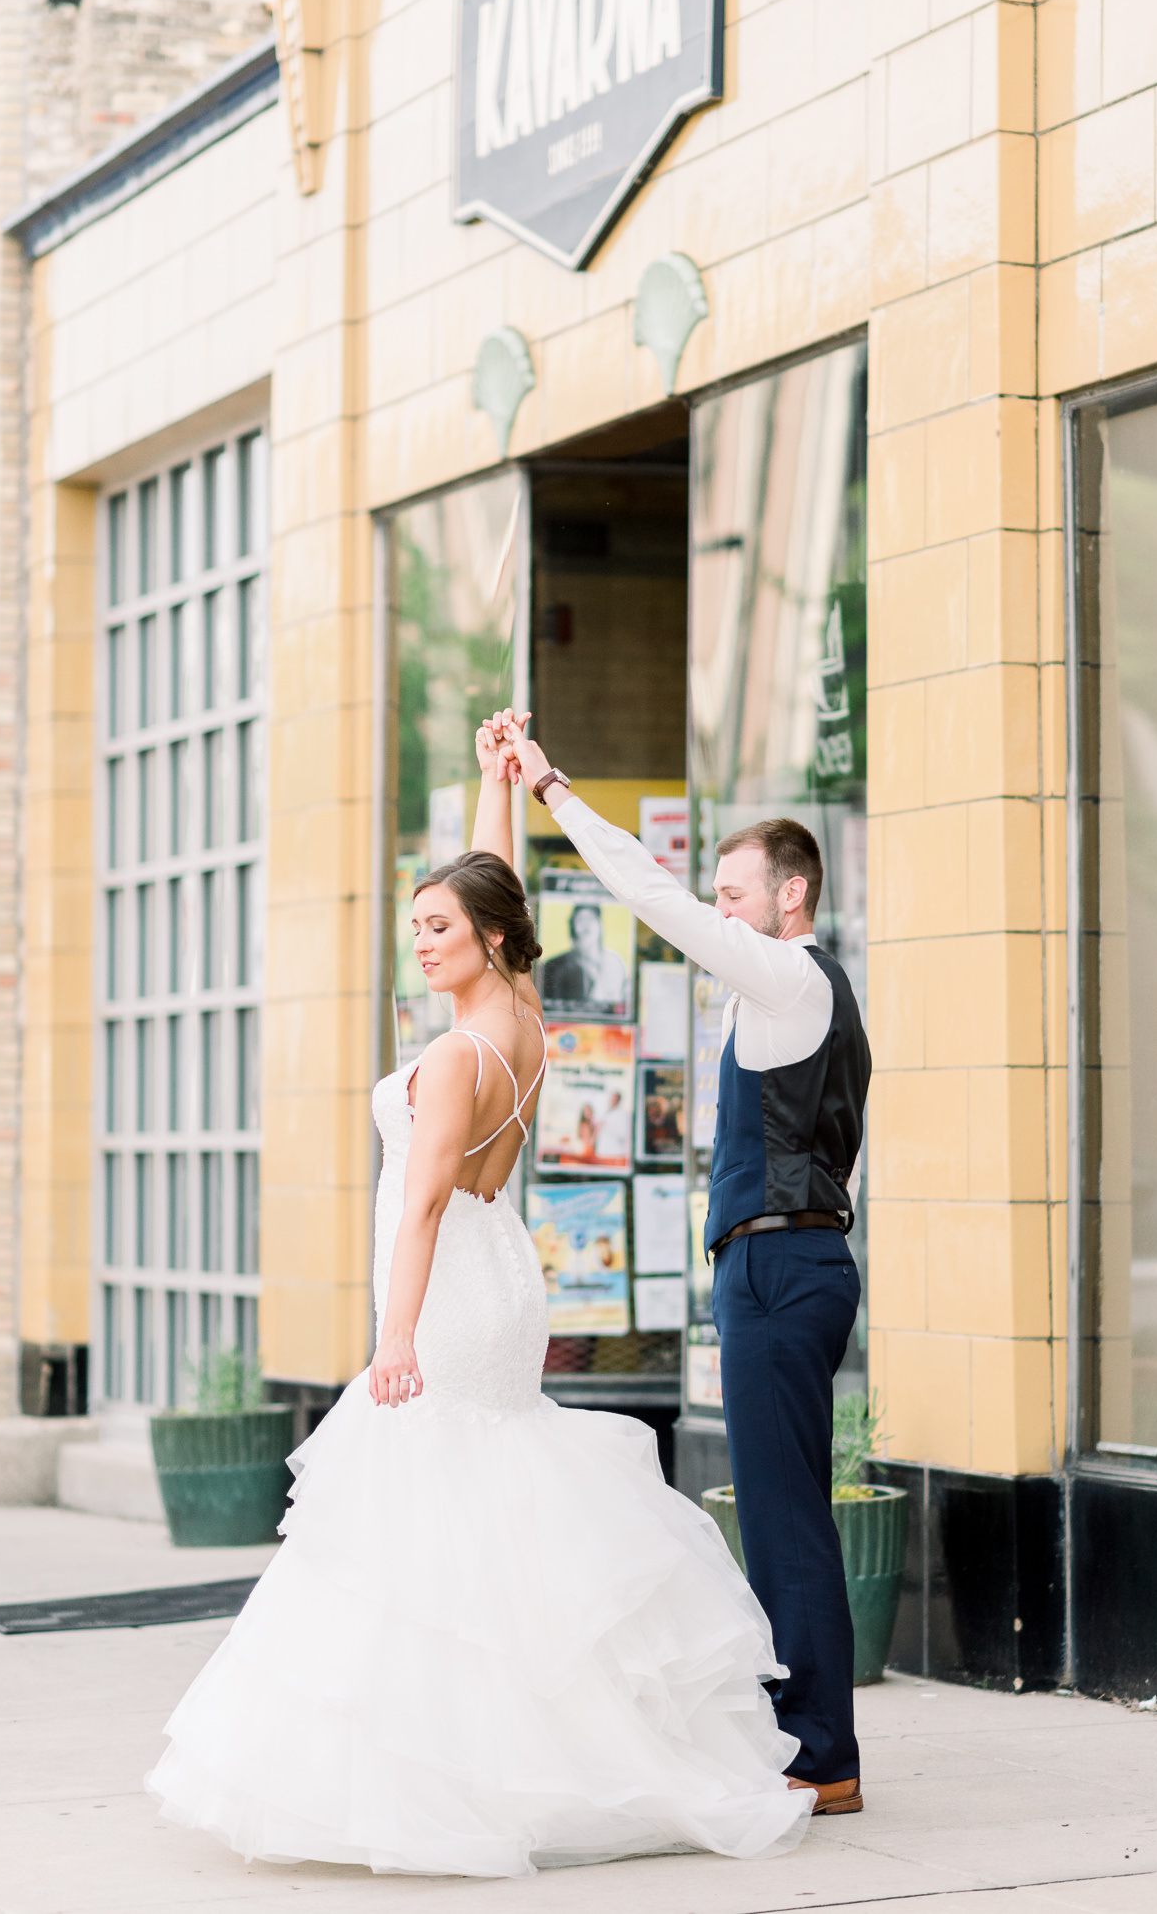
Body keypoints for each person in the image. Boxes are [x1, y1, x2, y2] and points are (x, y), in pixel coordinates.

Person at [145, 724, 814, 1877]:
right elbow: (487, 887)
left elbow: (416, 1210)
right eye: (414, 926)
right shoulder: (521, 1017)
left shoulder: (458, 1058)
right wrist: (499, 784)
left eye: (437, 927)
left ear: (488, 940)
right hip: (500, 1271)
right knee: (484, 1501)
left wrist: (389, 1338)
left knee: (420, 1519)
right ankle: (536, 1739)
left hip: (450, 1283)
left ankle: (449, 1771)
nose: (421, 940)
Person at [492, 710, 870, 1817]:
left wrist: (551, 787)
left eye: (735, 892)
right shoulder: (793, 994)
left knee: (784, 1514)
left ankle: (820, 1752)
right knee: (782, 1507)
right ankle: (809, 1737)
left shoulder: (792, 979)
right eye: (720, 893)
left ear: (789, 896)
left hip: (780, 1271)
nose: (720, 908)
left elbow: (648, 898)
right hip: (788, 1264)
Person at [541, 899, 631, 1014]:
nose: (585, 926)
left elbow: (619, 1003)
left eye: (590, 919)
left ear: (600, 925)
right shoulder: (555, 965)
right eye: (580, 920)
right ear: (572, 926)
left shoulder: (614, 962)